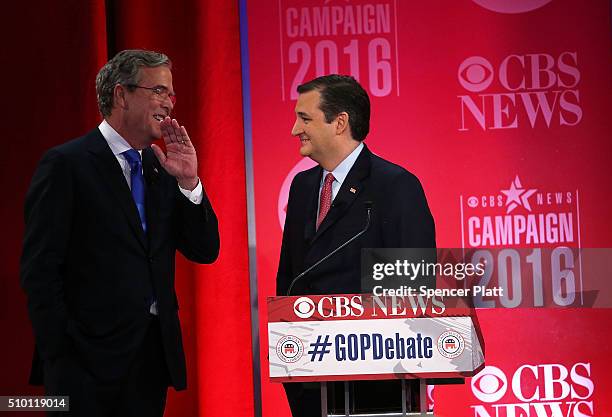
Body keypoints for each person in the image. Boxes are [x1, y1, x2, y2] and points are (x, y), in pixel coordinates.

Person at [20, 49, 219, 417]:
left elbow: (204, 250)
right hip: (83, 364)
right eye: (158, 91)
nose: (169, 103)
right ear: (121, 95)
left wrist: (190, 182)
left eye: (171, 94)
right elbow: (39, 269)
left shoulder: (162, 169)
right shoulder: (67, 164)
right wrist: (62, 351)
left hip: (149, 360)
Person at [276, 75, 436, 416]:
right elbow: (289, 275)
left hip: (375, 381)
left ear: (340, 122)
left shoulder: (395, 186)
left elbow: (414, 289)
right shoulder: (303, 187)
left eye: (305, 118)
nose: (294, 129)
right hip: (308, 374)